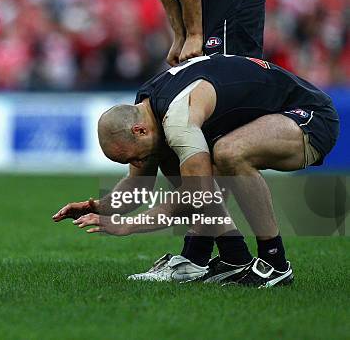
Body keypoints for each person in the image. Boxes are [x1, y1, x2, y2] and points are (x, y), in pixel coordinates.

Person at [54, 54, 339, 287]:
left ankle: (275, 263)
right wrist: (99, 207)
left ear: (139, 131)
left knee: (228, 153)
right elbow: (138, 186)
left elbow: (198, 194)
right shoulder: (147, 110)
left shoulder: (177, 118)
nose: (138, 164)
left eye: (134, 157)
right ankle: (234, 257)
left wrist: (128, 225)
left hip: (310, 116)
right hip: (274, 116)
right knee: (181, 161)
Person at [125, 0, 266, 280]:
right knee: (195, 134)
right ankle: (210, 254)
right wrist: (179, 30)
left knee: (206, 133)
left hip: (228, 8)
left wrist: (195, 31)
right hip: (210, 12)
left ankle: (210, 256)